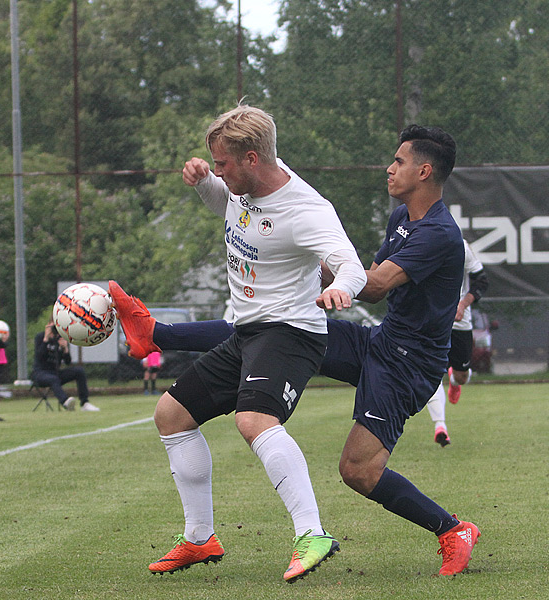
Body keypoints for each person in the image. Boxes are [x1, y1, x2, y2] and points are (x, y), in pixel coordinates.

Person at [111, 124, 480, 577]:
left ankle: (452, 529)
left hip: (410, 364)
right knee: (266, 331)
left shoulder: (440, 233)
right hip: (380, 341)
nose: (390, 167)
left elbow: (376, 283)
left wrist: (334, 276)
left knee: (357, 470)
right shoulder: (403, 218)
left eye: (399, 161)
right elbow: (361, 271)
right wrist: (312, 265)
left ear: (424, 171)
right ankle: (156, 335)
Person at [114, 104, 368, 582]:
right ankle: (199, 538)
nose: (219, 171)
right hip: (248, 331)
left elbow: (351, 264)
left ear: (252, 158)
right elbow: (226, 207)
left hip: (292, 332)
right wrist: (204, 182)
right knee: (171, 415)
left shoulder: (307, 209)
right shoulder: (242, 186)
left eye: (223, 164)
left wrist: (342, 288)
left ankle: (312, 532)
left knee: (254, 420)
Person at [426, 239, 488, 446]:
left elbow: (481, 281)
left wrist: (462, 305)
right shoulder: (416, 242)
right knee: (431, 372)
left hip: (460, 322)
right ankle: (440, 426)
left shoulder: (459, 246)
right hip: (429, 319)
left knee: (462, 375)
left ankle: (454, 380)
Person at [32, 322, 99, 412]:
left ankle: (85, 403)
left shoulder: (60, 339)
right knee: (53, 379)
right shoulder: (40, 337)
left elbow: (68, 362)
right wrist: (46, 339)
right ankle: (65, 402)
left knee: (79, 371)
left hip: (55, 372)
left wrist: (65, 349)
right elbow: (39, 357)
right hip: (40, 373)